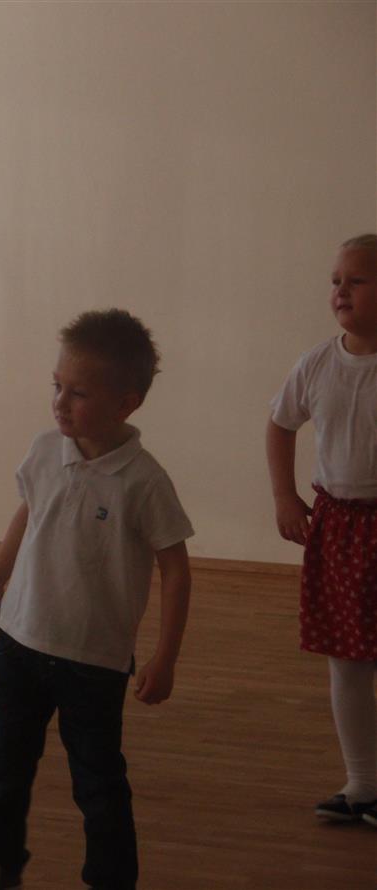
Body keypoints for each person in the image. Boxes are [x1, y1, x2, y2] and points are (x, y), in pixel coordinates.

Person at [0, 309, 193, 890]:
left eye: (78, 393)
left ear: (126, 403)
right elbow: (29, 510)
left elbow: (176, 570)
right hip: (19, 643)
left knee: (98, 783)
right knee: (4, 762)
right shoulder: (43, 449)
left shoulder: (144, 481)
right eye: (56, 385)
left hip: (93, 662)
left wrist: (165, 657)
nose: (59, 402)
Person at [267, 233, 377, 827]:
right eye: (336, 280)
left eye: (356, 280)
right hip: (338, 528)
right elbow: (280, 423)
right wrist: (284, 496)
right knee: (347, 662)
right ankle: (363, 785)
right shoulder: (316, 364)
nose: (340, 291)